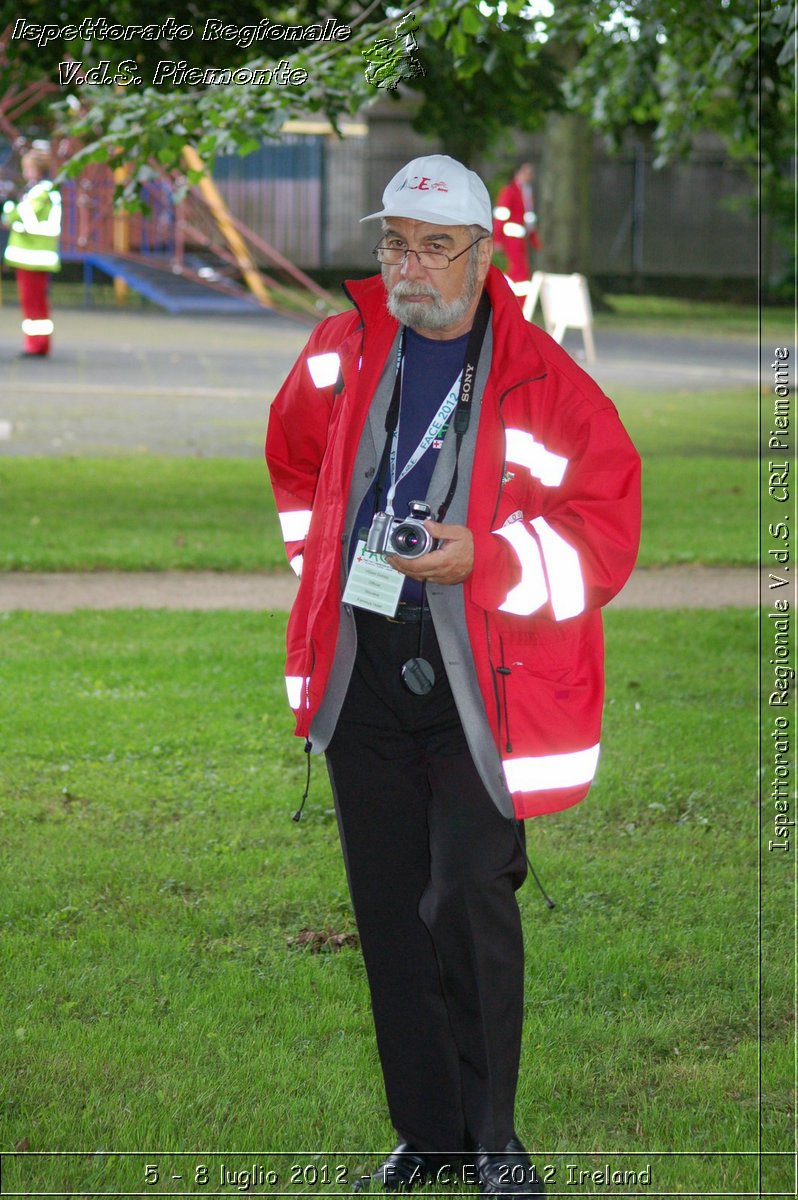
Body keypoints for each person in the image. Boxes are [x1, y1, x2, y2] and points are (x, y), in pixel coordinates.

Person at [266, 154, 640, 1196]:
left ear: (485, 256)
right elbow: (293, 455)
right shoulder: (343, 348)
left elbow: (606, 532)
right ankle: (428, 1135)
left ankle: (493, 1138)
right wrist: (322, 565)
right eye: (396, 243)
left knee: (468, 897)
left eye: (436, 247)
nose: (411, 266)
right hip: (366, 663)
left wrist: (493, 558)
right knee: (388, 911)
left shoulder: (547, 382)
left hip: (485, 675)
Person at [2, 144, 62, 357]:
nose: (25, 172)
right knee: (37, 303)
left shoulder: (40, 192)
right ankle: (38, 343)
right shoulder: (43, 190)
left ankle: (36, 345)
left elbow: (20, 216)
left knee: (33, 303)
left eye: (28, 168)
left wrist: (9, 209)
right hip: (35, 256)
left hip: (32, 256)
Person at [493, 163, 540, 284]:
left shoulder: (525, 191)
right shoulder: (510, 191)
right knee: (516, 273)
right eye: (526, 173)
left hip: (521, 240)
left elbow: (528, 217)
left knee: (521, 272)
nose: (529, 176)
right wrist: (497, 239)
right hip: (510, 240)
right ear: (517, 173)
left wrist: (534, 238)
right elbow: (501, 215)